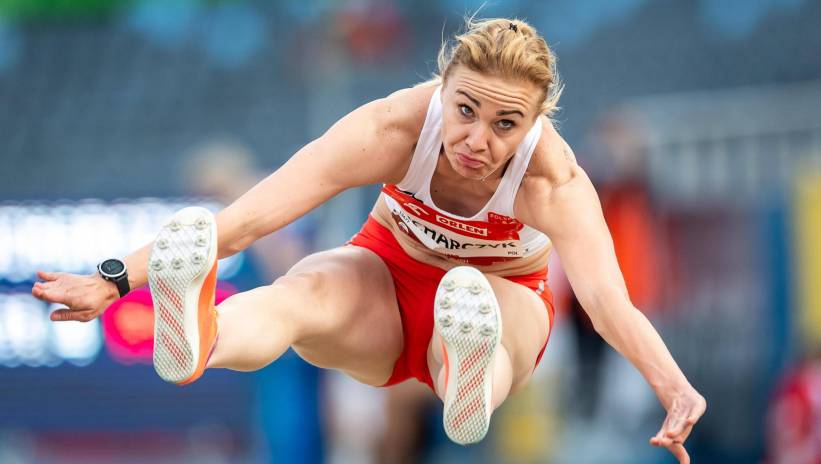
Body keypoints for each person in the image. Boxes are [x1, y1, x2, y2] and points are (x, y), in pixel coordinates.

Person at [31, 17, 705, 462]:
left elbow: (607, 302)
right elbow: (246, 220)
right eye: (464, 111)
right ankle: (201, 337)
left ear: (534, 125)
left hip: (501, 301)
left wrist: (673, 387)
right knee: (303, 294)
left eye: (505, 125)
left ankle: (470, 381)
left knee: (479, 312)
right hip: (382, 279)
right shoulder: (391, 129)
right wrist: (114, 280)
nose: (476, 140)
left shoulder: (551, 181)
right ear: (441, 90)